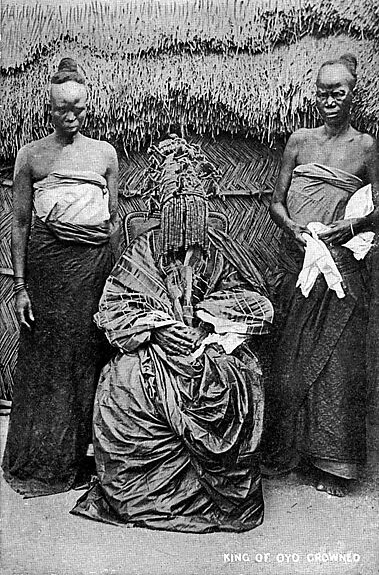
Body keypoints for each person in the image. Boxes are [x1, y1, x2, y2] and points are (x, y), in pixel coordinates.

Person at [71, 135, 274, 533]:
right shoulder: (143, 249)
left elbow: (256, 302)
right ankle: (144, 493)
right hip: (153, 349)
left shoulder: (221, 250)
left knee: (230, 378)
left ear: (205, 209)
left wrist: (211, 320)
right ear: (162, 211)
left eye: (193, 213)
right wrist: (157, 328)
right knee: (125, 382)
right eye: (176, 213)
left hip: (206, 345)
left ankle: (213, 491)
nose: (185, 224)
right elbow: (113, 306)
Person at [2, 58, 119, 497]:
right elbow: (19, 224)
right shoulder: (31, 155)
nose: (70, 117)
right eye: (61, 109)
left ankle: (81, 456)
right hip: (47, 272)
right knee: (47, 362)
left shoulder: (104, 154)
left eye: (78, 109)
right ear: (47, 108)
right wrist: (19, 286)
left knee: (87, 358)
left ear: (88, 107)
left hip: (91, 272)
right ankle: (42, 460)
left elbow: (110, 219)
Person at [263, 54, 378, 496]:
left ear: (354, 94)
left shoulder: (366, 147)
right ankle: (294, 455)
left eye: (339, 93)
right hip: (297, 265)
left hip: (341, 271)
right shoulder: (299, 140)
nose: (329, 101)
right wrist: (291, 227)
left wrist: (344, 228)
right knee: (290, 358)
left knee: (336, 363)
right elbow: (276, 200)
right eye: (322, 93)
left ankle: (335, 465)